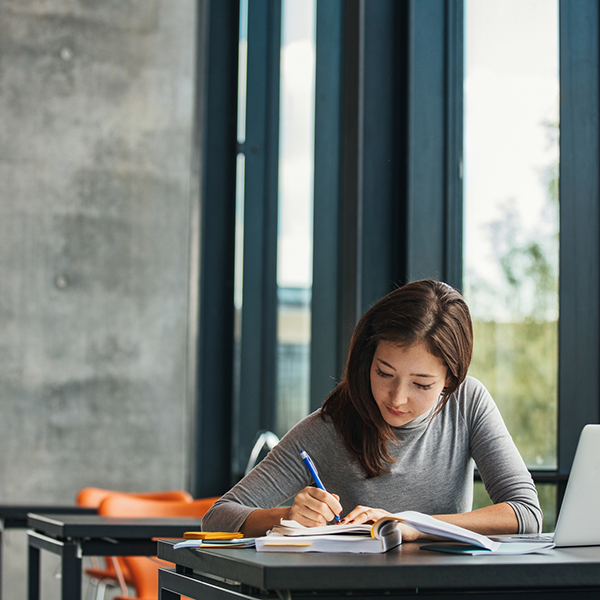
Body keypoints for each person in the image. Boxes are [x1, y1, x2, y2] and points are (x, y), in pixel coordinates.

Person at [202, 279, 542, 540]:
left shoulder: (467, 403)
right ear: (367, 359)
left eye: (421, 385)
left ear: (450, 381)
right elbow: (217, 517)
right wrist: (287, 516)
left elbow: (525, 513)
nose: (396, 398)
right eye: (384, 373)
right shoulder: (330, 427)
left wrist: (411, 524)